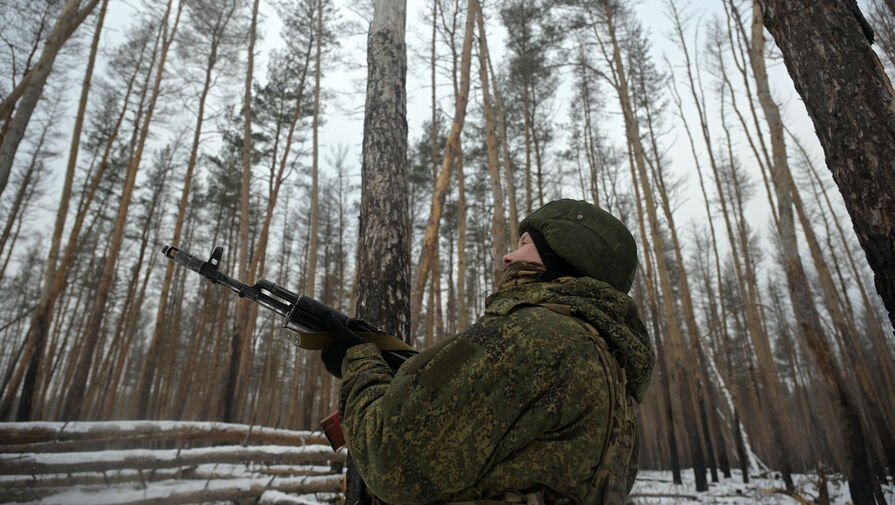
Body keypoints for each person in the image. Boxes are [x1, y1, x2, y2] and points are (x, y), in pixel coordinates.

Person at [319, 199, 655, 505]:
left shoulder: (528, 332)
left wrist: (358, 362)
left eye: (525, 245)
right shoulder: (613, 367)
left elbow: (389, 458)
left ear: (566, 256)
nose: (508, 256)